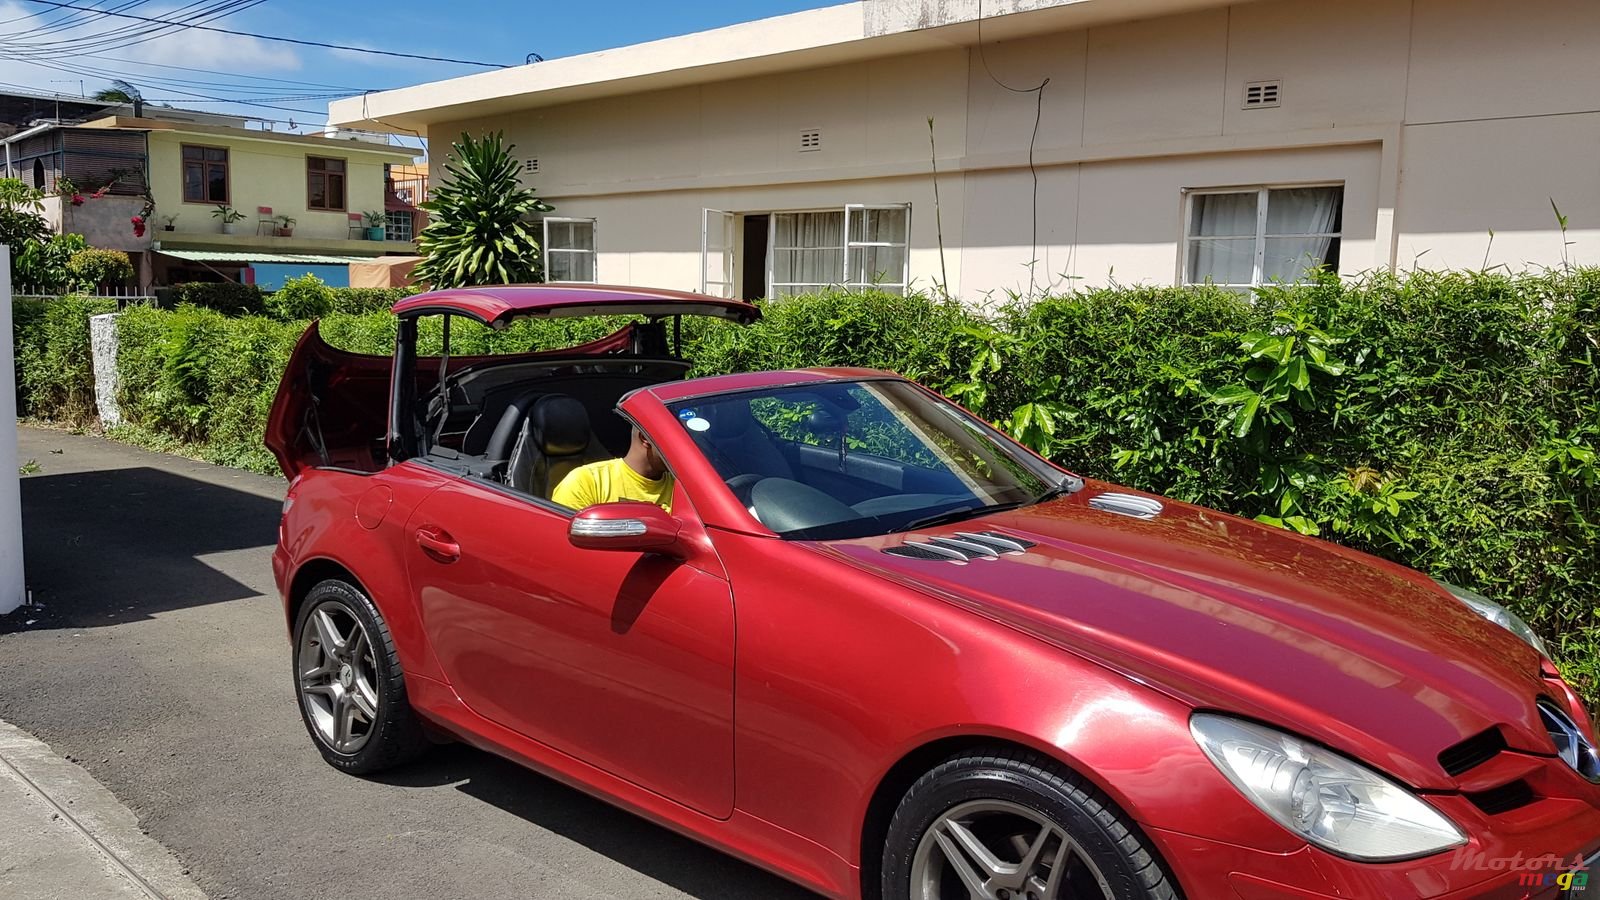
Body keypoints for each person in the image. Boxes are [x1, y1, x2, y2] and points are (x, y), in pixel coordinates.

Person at [551, 427, 673, 512]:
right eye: (674, 440)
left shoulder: (683, 485)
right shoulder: (586, 482)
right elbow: (564, 542)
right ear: (644, 438)